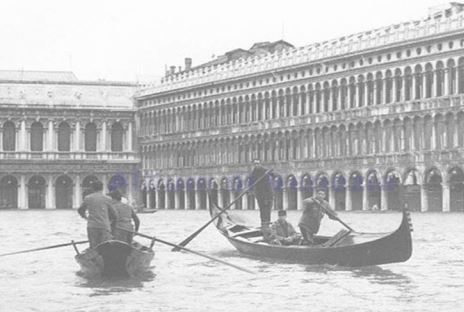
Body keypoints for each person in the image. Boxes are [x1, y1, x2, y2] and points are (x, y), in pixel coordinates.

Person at [77, 181, 116, 248]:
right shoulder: (108, 199)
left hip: (92, 226)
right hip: (104, 226)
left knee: (94, 247)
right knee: (105, 246)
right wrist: (110, 222)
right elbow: (114, 214)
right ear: (102, 188)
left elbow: (80, 210)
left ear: (92, 188)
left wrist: (85, 217)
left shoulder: (88, 198)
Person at [249, 159, 273, 241]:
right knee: (262, 211)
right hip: (260, 195)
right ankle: (264, 226)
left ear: (260, 164)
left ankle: (267, 225)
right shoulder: (253, 174)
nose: (256, 165)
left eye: (258, 163)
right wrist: (251, 190)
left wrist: (269, 173)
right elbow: (250, 183)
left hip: (268, 194)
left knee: (267, 211)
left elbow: (275, 175)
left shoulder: (265, 171)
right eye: (255, 164)